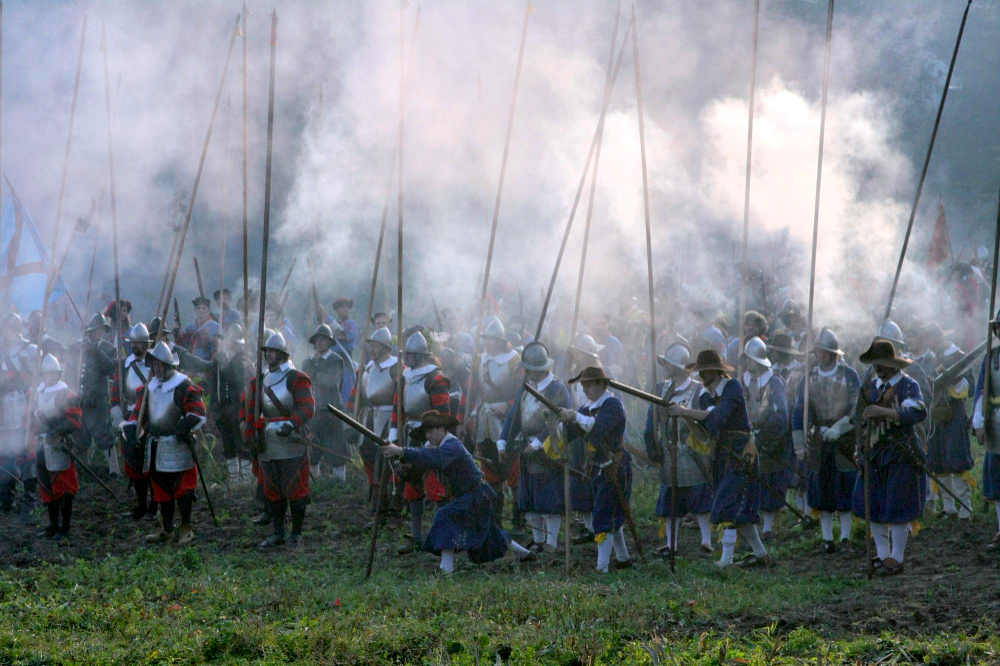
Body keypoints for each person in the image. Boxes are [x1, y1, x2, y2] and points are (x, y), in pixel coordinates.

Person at [381, 410, 536, 574]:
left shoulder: (452, 445)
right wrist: (405, 467)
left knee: (444, 515)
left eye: (431, 430)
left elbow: (433, 457)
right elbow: (418, 468)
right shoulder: (436, 447)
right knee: (494, 535)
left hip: (476, 495)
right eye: (426, 432)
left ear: (441, 428)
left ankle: (446, 568)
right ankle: (526, 554)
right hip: (470, 496)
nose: (428, 435)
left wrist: (401, 451)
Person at [668, 349, 768, 569]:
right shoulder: (705, 395)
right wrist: (685, 415)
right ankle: (760, 553)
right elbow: (706, 429)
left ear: (715, 371)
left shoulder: (733, 388)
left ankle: (727, 560)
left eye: (705, 372)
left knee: (727, 503)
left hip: (741, 452)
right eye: (700, 372)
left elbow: (719, 417)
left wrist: (685, 411)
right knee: (737, 507)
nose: (702, 376)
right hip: (722, 454)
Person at [853, 339, 927, 576]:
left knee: (898, 507)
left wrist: (884, 412)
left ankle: (897, 558)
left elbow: (916, 412)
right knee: (873, 506)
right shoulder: (869, 387)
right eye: (876, 363)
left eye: (882, 363)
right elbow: (859, 419)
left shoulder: (908, 385)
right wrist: (859, 447)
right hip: (873, 455)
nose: (878, 368)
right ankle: (883, 555)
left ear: (894, 364)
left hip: (900, 455)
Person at [125, 341, 207, 545]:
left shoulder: (183, 385)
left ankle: (186, 527)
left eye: (160, 365)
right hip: (156, 446)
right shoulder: (149, 388)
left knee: (183, 490)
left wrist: (184, 426)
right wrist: (133, 429)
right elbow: (139, 413)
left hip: (178, 445)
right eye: (154, 365)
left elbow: (198, 411)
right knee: (161, 491)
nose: (157, 369)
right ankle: (168, 529)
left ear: (169, 366)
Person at [241, 332, 315, 548]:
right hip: (268, 440)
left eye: (272, 351)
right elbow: (252, 408)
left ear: (282, 353)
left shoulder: (295, 377)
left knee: (295, 488)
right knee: (272, 489)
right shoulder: (260, 379)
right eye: (267, 351)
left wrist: (292, 423)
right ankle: (278, 532)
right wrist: (250, 432)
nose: (268, 355)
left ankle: (296, 533)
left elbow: (307, 407)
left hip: (291, 438)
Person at [496, 341, 571, 553]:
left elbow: (559, 421)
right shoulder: (526, 388)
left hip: (550, 448)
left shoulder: (557, 389)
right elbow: (513, 419)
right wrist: (503, 443)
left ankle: (552, 542)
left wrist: (539, 443)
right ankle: (539, 541)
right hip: (525, 449)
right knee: (529, 497)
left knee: (549, 498)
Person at [557, 366, 632, 573]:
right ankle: (624, 558)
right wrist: (558, 421)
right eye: (583, 385)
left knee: (603, 514)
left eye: (589, 384)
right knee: (609, 513)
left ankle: (602, 567)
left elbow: (598, 428)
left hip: (616, 466)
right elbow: (571, 433)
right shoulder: (587, 408)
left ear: (601, 384)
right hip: (599, 467)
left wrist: (575, 417)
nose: (585, 389)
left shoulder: (613, 405)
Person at [792, 327, 860, 552]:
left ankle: (846, 538)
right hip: (819, 439)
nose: (821, 355)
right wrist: (800, 445)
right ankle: (827, 539)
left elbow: (857, 408)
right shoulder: (808, 379)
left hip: (844, 440)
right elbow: (799, 413)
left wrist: (841, 428)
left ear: (833, 353)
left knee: (845, 489)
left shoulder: (849, 375)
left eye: (825, 351)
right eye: (818, 351)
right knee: (823, 491)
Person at [643, 343, 713, 555]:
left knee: (700, 499)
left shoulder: (698, 390)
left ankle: (706, 541)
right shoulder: (660, 389)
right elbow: (651, 420)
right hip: (668, 450)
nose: (666, 367)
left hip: (692, 452)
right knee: (669, 502)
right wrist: (652, 446)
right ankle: (672, 545)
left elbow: (705, 423)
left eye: (669, 364)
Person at [388, 331, 453, 555]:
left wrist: (431, 439)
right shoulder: (404, 378)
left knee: (436, 487)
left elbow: (443, 414)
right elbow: (397, 410)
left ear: (420, 356)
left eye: (410, 355)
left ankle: (442, 536)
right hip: (409, 436)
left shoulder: (435, 379)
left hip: (431, 438)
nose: (406, 359)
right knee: (412, 485)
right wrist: (394, 436)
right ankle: (417, 536)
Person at [176, 322, 255, 486]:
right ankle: (234, 479)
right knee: (228, 444)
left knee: (241, 444)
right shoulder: (220, 358)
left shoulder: (242, 359)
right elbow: (209, 375)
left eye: (232, 340)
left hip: (237, 408)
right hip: (221, 407)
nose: (229, 343)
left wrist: (224, 364)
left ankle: (246, 480)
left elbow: (236, 379)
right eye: (228, 340)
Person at [469, 319, 522, 519]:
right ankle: (495, 515)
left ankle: (518, 517)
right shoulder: (479, 360)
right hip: (485, 419)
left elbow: (523, 390)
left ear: (500, 341)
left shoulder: (514, 361)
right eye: (485, 340)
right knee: (489, 467)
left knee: (513, 468)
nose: (487, 344)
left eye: (490, 340)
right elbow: (471, 391)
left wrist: (508, 405)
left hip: (509, 420)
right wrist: (464, 418)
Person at [741, 336, 790, 540]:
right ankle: (751, 523)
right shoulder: (742, 381)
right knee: (749, 480)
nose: (747, 362)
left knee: (769, 480)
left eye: (750, 358)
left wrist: (763, 438)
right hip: (746, 437)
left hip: (770, 440)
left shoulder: (774, 382)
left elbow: (781, 416)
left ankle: (768, 528)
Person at [111, 323, 158, 519]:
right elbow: (115, 394)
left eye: (140, 342)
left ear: (146, 344)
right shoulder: (123, 366)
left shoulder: (156, 363)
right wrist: (118, 417)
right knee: (133, 463)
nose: (136, 346)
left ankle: (155, 506)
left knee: (153, 464)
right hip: (130, 417)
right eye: (134, 342)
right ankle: (141, 505)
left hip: (151, 418)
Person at [33, 354, 82, 539]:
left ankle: (65, 527)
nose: (49, 377)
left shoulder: (66, 394)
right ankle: (53, 525)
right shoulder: (39, 392)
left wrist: (57, 432)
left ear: (58, 374)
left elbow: (75, 420)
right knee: (46, 487)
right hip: (43, 445)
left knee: (65, 487)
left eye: (53, 373)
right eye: (47, 374)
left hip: (60, 445)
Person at [350, 326, 399, 508]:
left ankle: (391, 504)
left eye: (376, 345)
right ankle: (377, 499)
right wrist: (352, 417)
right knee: (368, 455)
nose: (371, 349)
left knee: (387, 461)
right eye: (370, 345)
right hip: (368, 418)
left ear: (386, 347)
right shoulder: (367, 368)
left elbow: (400, 398)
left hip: (388, 419)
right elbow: (357, 395)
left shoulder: (396, 368)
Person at [925, 343, 974, 520]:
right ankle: (948, 507)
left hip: (954, 414)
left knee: (958, 460)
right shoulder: (926, 357)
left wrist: (951, 379)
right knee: (938, 462)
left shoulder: (958, 355)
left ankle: (966, 506)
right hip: (934, 415)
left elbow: (971, 388)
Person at [70, 313, 121, 477]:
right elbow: (70, 369)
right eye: (97, 329)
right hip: (79, 398)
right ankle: (84, 469)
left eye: (103, 329)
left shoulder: (108, 348)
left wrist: (96, 352)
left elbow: (111, 369)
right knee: (80, 434)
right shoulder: (78, 347)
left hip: (97, 399)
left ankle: (114, 469)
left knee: (103, 434)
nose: (101, 332)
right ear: (90, 331)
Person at [302, 323, 350, 481]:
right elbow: (304, 381)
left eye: (322, 339)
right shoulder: (308, 361)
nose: (319, 343)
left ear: (329, 342)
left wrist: (312, 371)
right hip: (314, 412)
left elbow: (329, 381)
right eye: (317, 340)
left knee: (336, 448)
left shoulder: (336, 360)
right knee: (313, 449)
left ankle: (340, 484)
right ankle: (314, 483)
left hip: (331, 412)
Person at [0, 313, 38, 515]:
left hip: (23, 405)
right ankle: (6, 498)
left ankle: (29, 500)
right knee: (4, 453)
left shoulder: (29, 349)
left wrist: (12, 378)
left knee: (26, 452)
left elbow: (33, 380)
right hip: (4, 407)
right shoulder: (1, 351)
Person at [972, 315, 1000, 549]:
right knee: (998, 479)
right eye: (997, 326)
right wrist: (979, 422)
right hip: (996, 421)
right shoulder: (990, 357)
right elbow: (982, 389)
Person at [179, 296, 220, 362]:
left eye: (204, 308)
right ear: (195, 310)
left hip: (209, 365)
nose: (201, 310)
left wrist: (209, 337)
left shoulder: (216, 327)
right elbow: (185, 347)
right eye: (198, 308)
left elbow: (221, 346)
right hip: (192, 365)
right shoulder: (189, 328)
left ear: (209, 310)